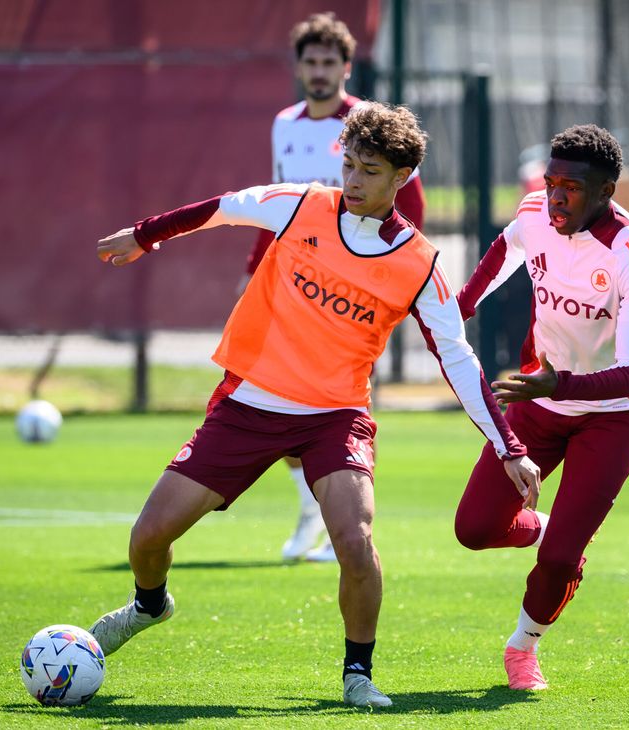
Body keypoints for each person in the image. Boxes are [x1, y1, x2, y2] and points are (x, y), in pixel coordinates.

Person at [92, 102, 540, 708]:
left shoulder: (419, 264)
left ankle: (358, 674)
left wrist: (507, 446)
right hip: (249, 404)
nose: (353, 181)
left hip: (336, 417)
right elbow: (225, 208)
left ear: (402, 178)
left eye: (370, 171)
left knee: (354, 543)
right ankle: (149, 604)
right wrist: (146, 236)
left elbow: (457, 358)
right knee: (148, 538)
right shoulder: (303, 204)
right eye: (349, 165)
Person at [453, 125, 629, 691]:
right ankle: (547, 527)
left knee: (562, 558)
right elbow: (508, 247)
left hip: (612, 412)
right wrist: (463, 304)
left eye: (570, 187)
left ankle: (523, 648)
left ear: (606, 192)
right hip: (541, 397)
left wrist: (556, 385)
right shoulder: (535, 213)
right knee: (473, 529)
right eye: (550, 183)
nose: (554, 198)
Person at [240, 12, 427, 564]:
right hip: (290, 284)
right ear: (299, 67)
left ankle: (350, 525)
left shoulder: (368, 124)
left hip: (352, 290)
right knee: (274, 392)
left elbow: (408, 204)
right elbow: (277, 207)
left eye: (330, 61)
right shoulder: (284, 123)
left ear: (346, 66)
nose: (319, 71)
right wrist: (254, 273)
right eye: (310, 61)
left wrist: (401, 275)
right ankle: (311, 512)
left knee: (340, 404)